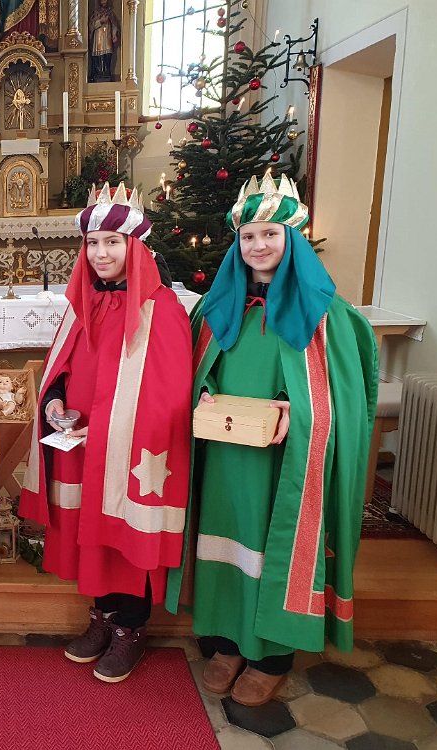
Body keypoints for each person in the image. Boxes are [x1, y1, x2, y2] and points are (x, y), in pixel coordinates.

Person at [166, 173, 378, 706]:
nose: (258, 245)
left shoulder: (326, 313)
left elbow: (343, 399)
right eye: (248, 236)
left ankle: (271, 655)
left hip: (284, 461)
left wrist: (295, 408)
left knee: (269, 545)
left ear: (293, 239)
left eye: (270, 235)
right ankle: (225, 641)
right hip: (223, 454)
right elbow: (193, 369)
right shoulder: (215, 308)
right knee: (223, 537)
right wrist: (204, 392)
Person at [20, 183, 192, 683]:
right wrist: (54, 400)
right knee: (92, 530)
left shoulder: (162, 308)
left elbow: (170, 393)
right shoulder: (83, 304)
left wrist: (118, 430)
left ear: (134, 246)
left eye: (112, 242)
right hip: (82, 442)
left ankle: (131, 627)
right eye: (93, 243)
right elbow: (63, 368)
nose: (100, 253)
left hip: (134, 452)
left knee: (125, 533)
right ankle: (102, 614)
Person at [88, 0, 120, 82]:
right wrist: (100, 21)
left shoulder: (110, 13)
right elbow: (91, 26)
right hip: (98, 38)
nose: (104, 1)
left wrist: (114, 34)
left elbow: (114, 24)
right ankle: (98, 73)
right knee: (98, 57)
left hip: (107, 38)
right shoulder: (96, 13)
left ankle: (106, 73)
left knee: (107, 56)